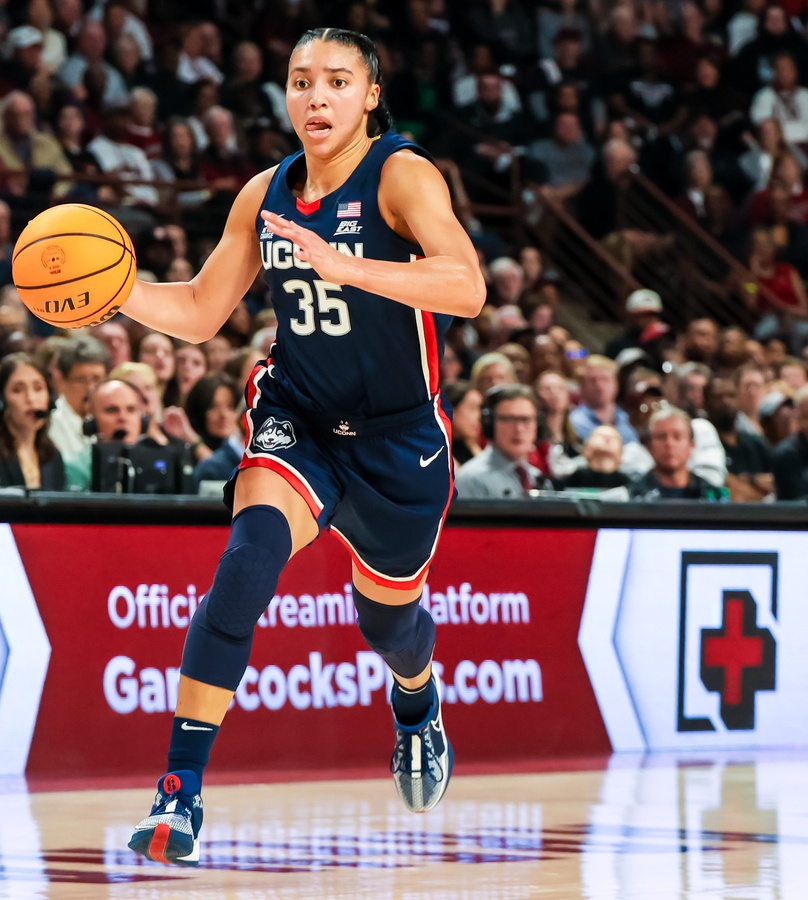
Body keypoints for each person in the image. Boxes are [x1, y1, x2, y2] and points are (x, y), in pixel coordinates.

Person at [116, 28, 485, 864]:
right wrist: (113, 295)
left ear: (371, 97)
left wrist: (354, 269)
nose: (317, 98)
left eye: (337, 82)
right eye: (301, 82)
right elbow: (204, 311)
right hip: (300, 417)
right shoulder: (267, 191)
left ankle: (417, 700)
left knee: (389, 625)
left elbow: (466, 285)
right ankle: (179, 794)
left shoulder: (401, 173)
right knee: (248, 563)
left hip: (400, 444)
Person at [0, 353, 65, 490]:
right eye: (18, 390)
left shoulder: (53, 456)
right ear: (0, 401)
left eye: (38, 388)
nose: (31, 398)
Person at [456, 384, 542, 499]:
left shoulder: (536, 477)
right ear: (490, 425)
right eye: (508, 419)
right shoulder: (471, 479)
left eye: (526, 419)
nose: (518, 429)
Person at [628, 405, 721, 501]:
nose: (669, 443)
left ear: (691, 445)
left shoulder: (712, 496)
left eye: (677, 436)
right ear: (648, 447)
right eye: (661, 437)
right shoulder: (632, 497)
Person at [48, 337, 110, 462]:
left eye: (97, 379)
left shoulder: (110, 420)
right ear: (62, 381)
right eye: (81, 380)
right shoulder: (52, 425)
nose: (91, 388)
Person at [569, 355, 638, 444]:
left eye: (605, 379)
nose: (599, 386)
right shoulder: (574, 424)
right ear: (581, 386)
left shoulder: (627, 419)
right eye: (593, 380)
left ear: (616, 384)